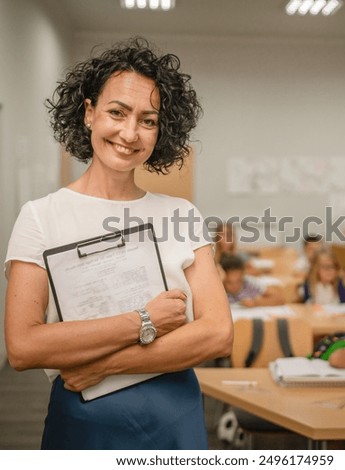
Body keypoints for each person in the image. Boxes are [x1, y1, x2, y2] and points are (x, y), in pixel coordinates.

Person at [4, 37, 233, 450]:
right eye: (117, 112)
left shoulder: (180, 213)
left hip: (174, 416)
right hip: (84, 420)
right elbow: (23, 346)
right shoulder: (41, 217)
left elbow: (217, 334)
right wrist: (146, 319)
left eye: (148, 120)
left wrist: (105, 365)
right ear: (89, 113)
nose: (130, 133)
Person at [301, 233, 345, 304]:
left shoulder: (339, 284)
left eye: (333, 267)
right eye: (326, 267)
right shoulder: (311, 285)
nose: (330, 270)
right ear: (317, 269)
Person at [220, 254, 284, 307]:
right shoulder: (218, 286)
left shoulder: (250, 283)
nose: (234, 286)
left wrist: (256, 303)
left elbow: (280, 299)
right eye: (229, 282)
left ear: (243, 275)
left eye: (238, 281)